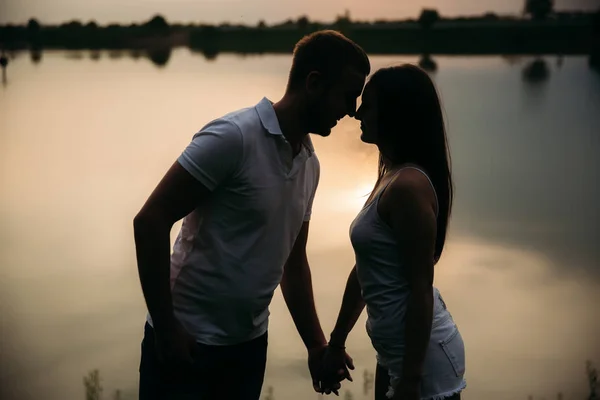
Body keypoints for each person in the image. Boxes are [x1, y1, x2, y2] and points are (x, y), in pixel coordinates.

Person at [133, 30, 369, 400]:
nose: (352, 109)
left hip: (248, 349)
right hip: (188, 343)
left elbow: (292, 264)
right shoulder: (234, 138)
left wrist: (316, 346)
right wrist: (166, 329)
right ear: (313, 83)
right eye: (348, 95)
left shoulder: (309, 164)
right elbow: (150, 222)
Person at [321, 65, 467, 400]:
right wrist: (337, 341)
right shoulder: (391, 177)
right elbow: (366, 270)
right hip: (396, 356)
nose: (356, 112)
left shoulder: (408, 187)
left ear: (395, 113)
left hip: (423, 365)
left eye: (368, 105)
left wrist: (412, 380)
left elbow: (420, 288)